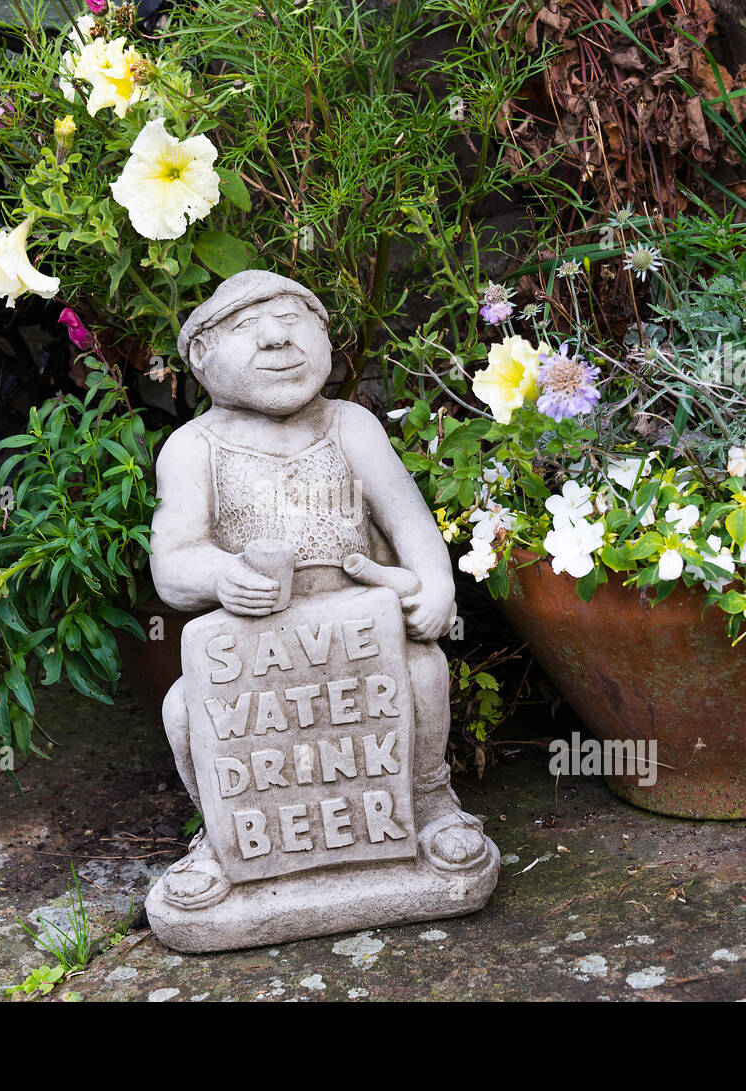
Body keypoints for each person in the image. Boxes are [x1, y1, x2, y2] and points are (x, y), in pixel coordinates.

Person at [150, 270, 490, 908]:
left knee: (423, 677)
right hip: (256, 654)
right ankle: (224, 838)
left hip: (364, 637)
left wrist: (434, 585)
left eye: (295, 319)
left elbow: (412, 524)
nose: (278, 338)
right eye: (246, 327)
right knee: (182, 708)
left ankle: (431, 806)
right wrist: (224, 575)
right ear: (200, 357)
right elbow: (172, 564)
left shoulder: (351, 426)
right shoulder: (192, 447)